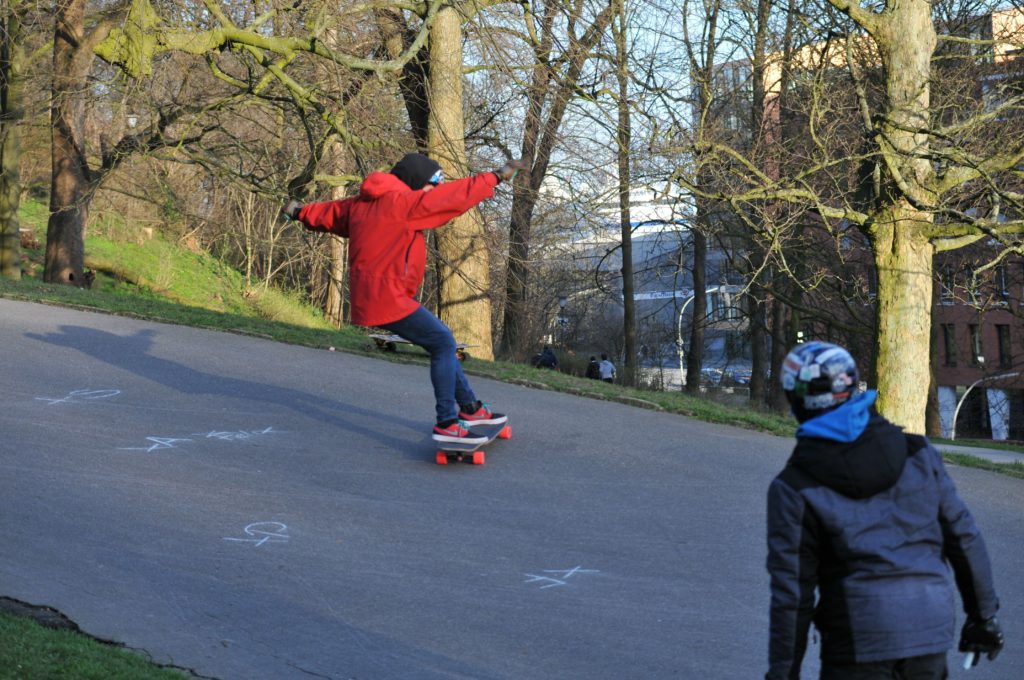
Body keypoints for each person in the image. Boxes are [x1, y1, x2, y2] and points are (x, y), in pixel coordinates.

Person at [766, 341, 1004, 680]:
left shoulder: (793, 487)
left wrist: (782, 673)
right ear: (852, 386)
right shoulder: (918, 453)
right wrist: (984, 616)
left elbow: (792, 594)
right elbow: (963, 537)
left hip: (857, 638)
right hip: (928, 630)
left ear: (795, 401)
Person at [282, 152, 529, 444]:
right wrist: (497, 176)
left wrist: (299, 211)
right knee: (443, 342)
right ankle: (448, 422)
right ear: (416, 182)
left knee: (441, 342)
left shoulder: (363, 203)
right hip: (388, 297)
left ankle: (471, 409)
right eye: (430, 187)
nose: (431, 194)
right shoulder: (404, 203)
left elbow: (331, 212)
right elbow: (454, 196)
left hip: (375, 295)